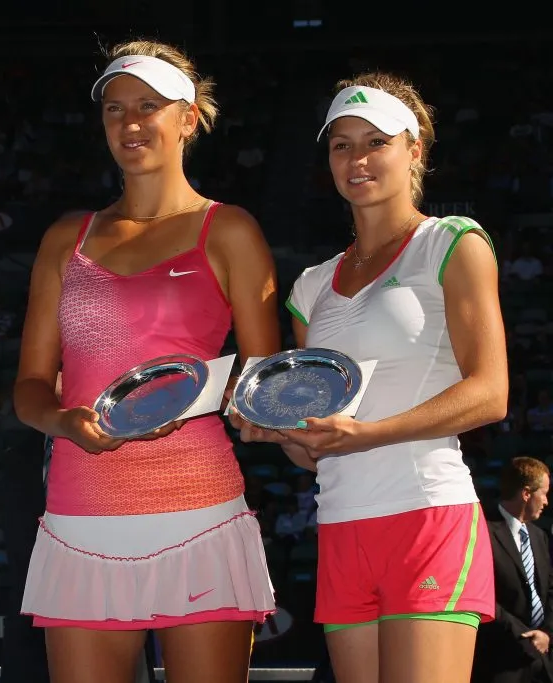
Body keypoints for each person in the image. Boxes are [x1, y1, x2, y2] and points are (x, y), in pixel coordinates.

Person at [14, 39, 280, 683]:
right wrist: (66, 421)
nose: (130, 123)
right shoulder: (64, 239)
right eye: (114, 108)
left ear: (188, 118)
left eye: (149, 106)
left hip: (201, 513)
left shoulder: (231, 230)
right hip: (81, 520)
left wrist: (255, 404)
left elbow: (266, 379)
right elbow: (28, 389)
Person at [235, 72, 507, 683]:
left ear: (414, 149)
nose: (356, 159)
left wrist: (369, 433)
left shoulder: (452, 243)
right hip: (340, 524)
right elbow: (320, 446)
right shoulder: (309, 286)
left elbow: (491, 392)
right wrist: (283, 434)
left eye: (374, 141)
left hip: (426, 515)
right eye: (341, 144)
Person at [473, 457, 553, 683]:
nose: (546, 501)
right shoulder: (484, 532)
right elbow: (483, 594)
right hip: (502, 662)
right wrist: (525, 638)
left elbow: (550, 590)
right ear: (526, 494)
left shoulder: (540, 536)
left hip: (542, 659)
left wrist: (546, 633)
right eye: (544, 493)